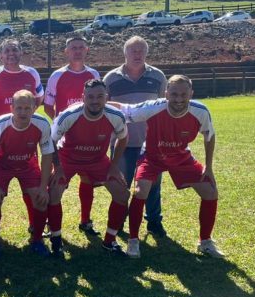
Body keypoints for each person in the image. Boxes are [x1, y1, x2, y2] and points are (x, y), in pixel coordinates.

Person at [113, 75, 222, 258]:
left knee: (210, 192)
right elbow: (125, 109)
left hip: (181, 156)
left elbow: (209, 136)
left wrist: (209, 167)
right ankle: (133, 241)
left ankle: (205, 242)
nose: (178, 99)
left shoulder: (200, 111)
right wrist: (93, 104)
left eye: (183, 94)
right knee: (140, 192)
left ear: (191, 94)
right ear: (166, 94)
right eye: (174, 94)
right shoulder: (153, 107)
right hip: (152, 155)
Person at [49, 79, 130, 258]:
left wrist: (114, 166)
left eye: (100, 96)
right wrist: (58, 168)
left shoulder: (115, 116)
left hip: (97, 159)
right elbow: (51, 141)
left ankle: (109, 241)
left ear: (106, 97)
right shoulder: (69, 115)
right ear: (83, 97)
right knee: (54, 190)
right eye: (91, 96)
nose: (95, 100)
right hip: (68, 157)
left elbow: (123, 138)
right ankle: (55, 239)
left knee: (122, 193)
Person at [103, 36, 167, 237]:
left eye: (141, 51)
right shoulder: (111, 78)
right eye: (133, 51)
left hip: (151, 143)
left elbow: (165, 108)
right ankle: (119, 220)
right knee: (121, 185)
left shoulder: (157, 76)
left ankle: (154, 221)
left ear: (146, 53)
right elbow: (104, 108)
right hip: (122, 143)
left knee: (153, 185)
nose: (137, 54)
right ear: (125, 53)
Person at [0, 38, 45, 232]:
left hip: (26, 137)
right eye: (7, 51)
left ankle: (34, 225)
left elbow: (39, 99)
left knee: (30, 186)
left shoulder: (32, 73)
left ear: (21, 53)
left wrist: (23, 119)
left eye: (15, 50)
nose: (11, 54)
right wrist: (0, 122)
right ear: (0, 55)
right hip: (0, 138)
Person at [44, 35, 101, 236]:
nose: (77, 51)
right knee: (57, 180)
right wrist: (62, 125)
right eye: (73, 48)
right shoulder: (56, 76)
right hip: (63, 140)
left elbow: (99, 103)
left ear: (86, 50)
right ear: (66, 52)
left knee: (87, 179)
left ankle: (85, 220)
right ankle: (51, 223)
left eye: (81, 47)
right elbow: (48, 107)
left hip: (89, 136)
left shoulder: (93, 74)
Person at [0, 90, 54, 258]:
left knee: (40, 199)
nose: (23, 112)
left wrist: (43, 187)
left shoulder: (42, 124)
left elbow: (46, 156)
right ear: (11, 108)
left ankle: (37, 240)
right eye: (19, 108)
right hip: (2, 165)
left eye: (27, 108)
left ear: (34, 108)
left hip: (27, 165)